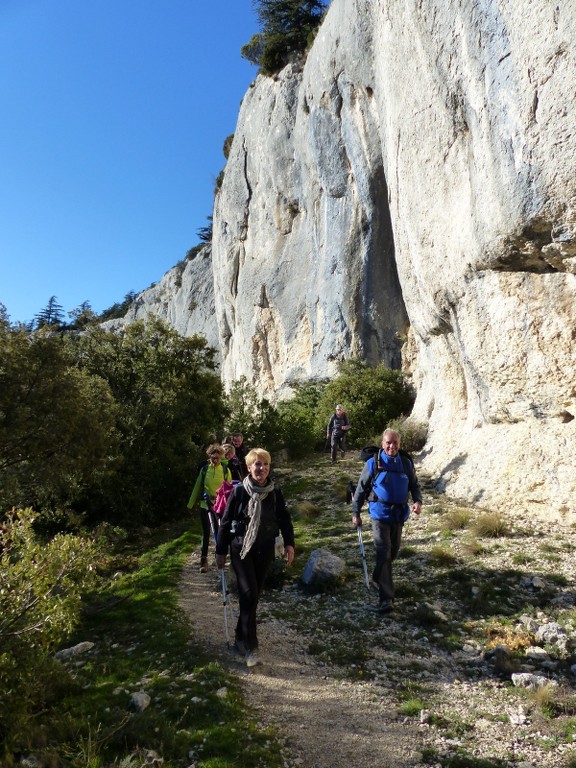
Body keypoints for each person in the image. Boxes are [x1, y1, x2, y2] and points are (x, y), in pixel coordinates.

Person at [216, 448, 295, 667]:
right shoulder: (240, 492)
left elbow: (285, 519)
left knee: (253, 597)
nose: (261, 468)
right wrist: (220, 551)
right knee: (249, 595)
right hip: (241, 549)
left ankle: (240, 637)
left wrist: (289, 544)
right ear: (249, 468)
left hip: (265, 550)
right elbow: (225, 522)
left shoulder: (275, 493)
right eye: (257, 464)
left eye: (265, 464)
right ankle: (252, 648)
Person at [351, 428, 422, 614]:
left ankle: (379, 576)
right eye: (388, 443)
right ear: (382, 444)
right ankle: (386, 599)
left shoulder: (405, 463)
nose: (392, 446)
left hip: (398, 514)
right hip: (379, 513)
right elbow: (360, 489)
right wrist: (355, 512)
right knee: (384, 551)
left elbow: (414, 485)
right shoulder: (373, 463)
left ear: (399, 444)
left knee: (393, 550)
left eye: (395, 443)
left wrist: (417, 501)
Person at [187, 444, 232, 572]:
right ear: (210, 457)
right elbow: (197, 486)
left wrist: (229, 504)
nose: (215, 460)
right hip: (204, 504)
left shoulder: (225, 470)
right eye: (213, 458)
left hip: (219, 505)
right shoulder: (205, 469)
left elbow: (229, 489)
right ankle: (204, 560)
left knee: (219, 532)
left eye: (218, 458)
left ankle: (219, 557)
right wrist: (190, 504)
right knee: (206, 532)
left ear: (221, 457)